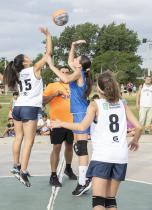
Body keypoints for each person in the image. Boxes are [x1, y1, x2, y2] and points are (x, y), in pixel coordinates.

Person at [51, 71, 142, 210]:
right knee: (111, 200)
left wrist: (61, 123)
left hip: (103, 157)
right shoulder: (122, 103)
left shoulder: (95, 105)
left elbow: (81, 126)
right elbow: (139, 127)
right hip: (121, 157)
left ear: (99, 88)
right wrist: (135, 140)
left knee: (98, 202)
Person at [0, 27, 52, 187]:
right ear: (24, 61)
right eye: (26, 56)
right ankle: (23, 171)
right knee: (29, 141)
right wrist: (48, 36)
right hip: (29, 108)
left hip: (17, 108)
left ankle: (16, 165)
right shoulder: (33, 70)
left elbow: (5, 80)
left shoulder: (18, 75)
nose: (29, 56)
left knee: (18, 137)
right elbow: (48, 54)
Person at [47, 40, 93, 196]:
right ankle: (84, 180)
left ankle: (83, 181)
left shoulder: (78, 74)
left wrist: (51, 65)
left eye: (76, 59)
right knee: (80, 148)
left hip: (81, 113)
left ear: (79, 65)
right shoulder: (80, 71)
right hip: (78, 113)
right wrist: (72, 46)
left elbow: (65, 79)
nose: (73, 61)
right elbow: (68, 61)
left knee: (82, 148)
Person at [43, 67, 77, 187]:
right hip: (57, 122)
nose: (65, 74)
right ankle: (53, 175)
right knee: (56, 147)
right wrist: (55, 94)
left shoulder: (74, 85)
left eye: (67, 72)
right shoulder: (52, 86)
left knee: (69, 146)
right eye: (62, 72)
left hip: (72, 122)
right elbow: (42, 101)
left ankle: (68, 168)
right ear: (58, 74)